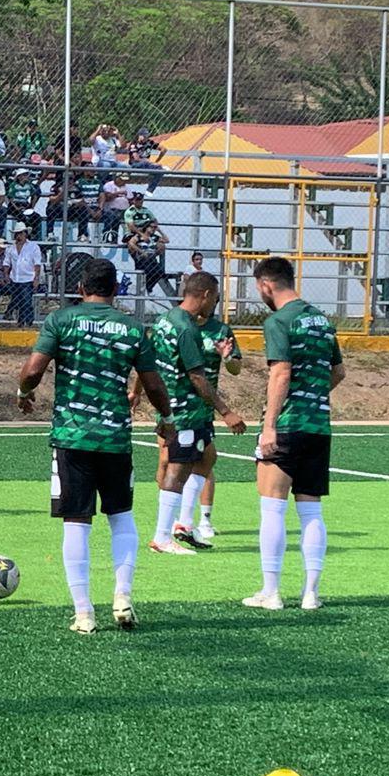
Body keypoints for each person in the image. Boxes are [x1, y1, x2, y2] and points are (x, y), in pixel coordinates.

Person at [17, 257, 173, 633]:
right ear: (115, 289)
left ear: (81, 288)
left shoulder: (61, 320)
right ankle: (122, 595)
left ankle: (84, 612)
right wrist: (166, 418)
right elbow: (152, 384)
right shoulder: (133, 328)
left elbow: (34, 370)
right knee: (121, 517)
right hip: (115, 438)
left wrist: (23, 392)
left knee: (76, 520)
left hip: (73, 437)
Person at [245, 256, 345, 612]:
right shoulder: (320, 319)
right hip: (318, 426)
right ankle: (311, 593)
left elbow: (280, 374)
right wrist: (313, 396)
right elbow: (338, 371)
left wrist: (269, 425)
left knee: (272, 507)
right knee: (311, 510)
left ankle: (270, 591)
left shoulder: (278, 321)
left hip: (287, 425)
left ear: (265, 285)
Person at [144, 272, 247, 556]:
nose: (214, 302)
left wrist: (136, 391)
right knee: (175, 468)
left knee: (207, 456)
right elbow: (197, 378)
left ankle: (183, 526)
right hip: (185, 408)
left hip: (186, 408)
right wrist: (226, 412)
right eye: (214, 297)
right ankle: (162, 537)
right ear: (204, 295)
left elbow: (147, 359)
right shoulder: (186, 329)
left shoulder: (165, 320)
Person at [165, 307, 241, 542]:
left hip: (203, 407)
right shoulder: (174, 326)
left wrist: (227, 356)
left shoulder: (220, 330)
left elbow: (235, 368)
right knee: (168, 460)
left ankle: (197, 521)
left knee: (204, 459)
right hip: (175, 405)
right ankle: (171, 524)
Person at [5, 222, 42, 326]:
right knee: (19, 301)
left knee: (26, 301)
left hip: (28, 278)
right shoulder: (10, 248)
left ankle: (28, 322)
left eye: (20, 233)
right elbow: (6, 263)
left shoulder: (33, 247)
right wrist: (6, 275)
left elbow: (37, 264)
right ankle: (22, 322)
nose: (18, 236)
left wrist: (36, 278)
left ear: (25, 233)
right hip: (15, 278)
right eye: (17, 233)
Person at [128, 221, 171, 296]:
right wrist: (141, 251)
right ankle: (147, 286)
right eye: (152, 227)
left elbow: (167, 240)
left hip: (152, 258)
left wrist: (159, 230)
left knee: (160, 272)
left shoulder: (154, 237)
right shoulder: (140, 236)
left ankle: (149, 287)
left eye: (155, 227)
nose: (153, 229)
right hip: (142, 258)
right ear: (146, 227)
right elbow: (131, 243)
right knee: (150, 269)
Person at [127, 128, 167, 194]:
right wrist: (151, 162)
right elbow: (136, 158)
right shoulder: (134, 144)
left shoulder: (149, 142)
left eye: (147, 136)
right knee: (144, 162)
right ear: (139, 136)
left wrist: (157, 161)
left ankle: (150, 190)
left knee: (160, 170)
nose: (146, 138)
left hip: (147, 164)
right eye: (144, 136)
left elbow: (164, 149)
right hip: (136, 164)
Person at [5, 169, 41, 238]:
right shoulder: (13, 185)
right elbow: (10, 198)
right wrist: (17, 208)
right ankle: (25, 232)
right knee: (23, 216)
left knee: (37, 217)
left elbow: (35, 195)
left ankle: (33, 233)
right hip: (15, 204)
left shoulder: (29, 185)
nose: (26, 176)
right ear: (19, 177)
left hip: (24, 204)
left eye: (26, 175)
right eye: (24, 175)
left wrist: (31, 206)